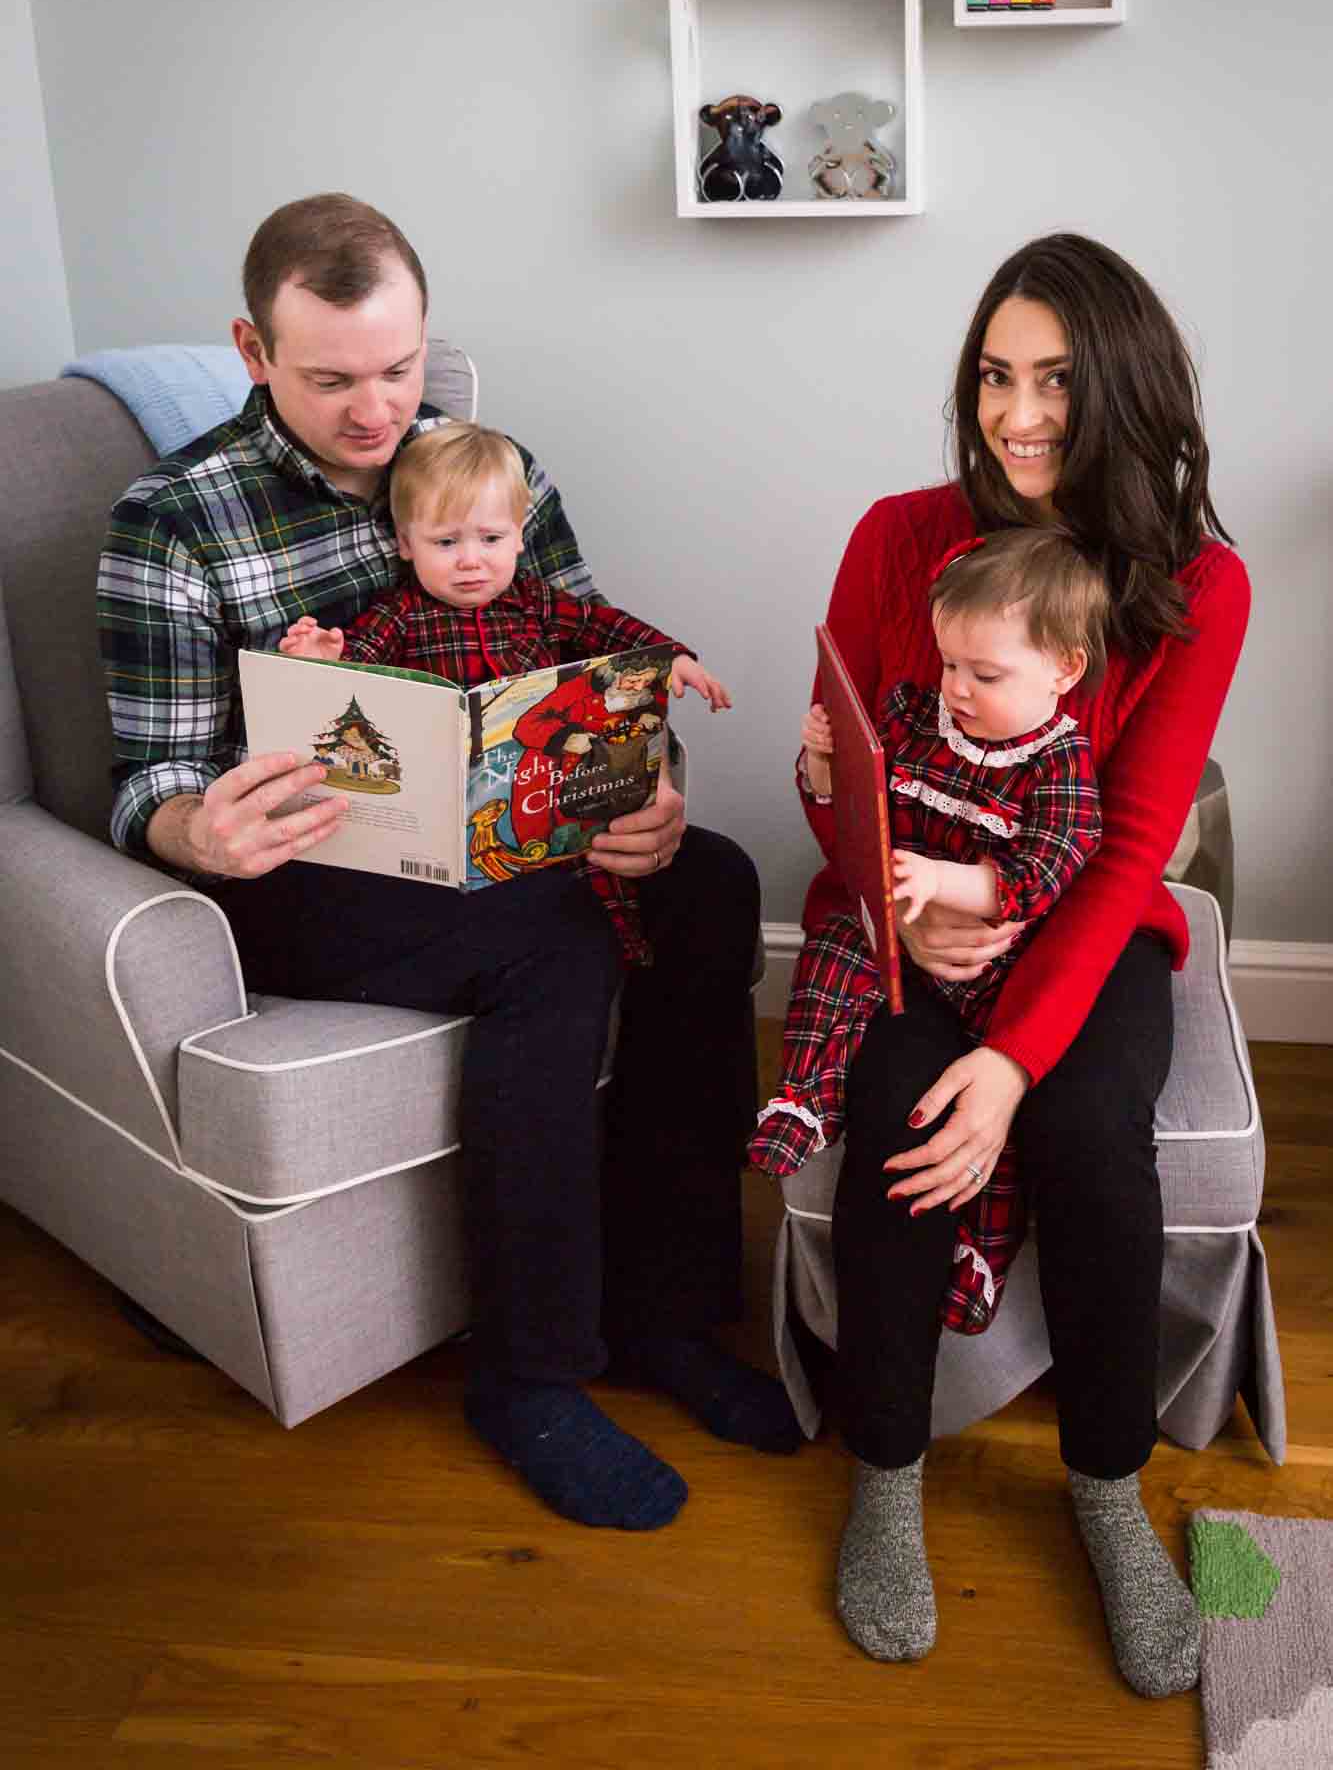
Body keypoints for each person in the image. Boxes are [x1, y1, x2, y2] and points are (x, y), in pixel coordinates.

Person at [97, 192, 799, 1532]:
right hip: (306, 882)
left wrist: (645, 793)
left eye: (401, 368)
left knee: (705, 882)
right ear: (254, 352)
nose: (378, 411)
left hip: (506, 838)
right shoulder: (173, 519)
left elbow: (593, 668)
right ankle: (529, 1371)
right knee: (557, 938)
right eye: (333, 379)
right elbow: (149, 781)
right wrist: (202, 829)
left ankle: (666, 1312)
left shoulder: (490, 467)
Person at [797, 233, 1247, 1697]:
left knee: (1085, 1136)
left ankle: (1108, 1494)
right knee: (898, 1122)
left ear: (1120, 388)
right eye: (994, 376)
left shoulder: (1198, 584)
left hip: (1085, 929)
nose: (1017, 412)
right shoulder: (896, 532)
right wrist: (899, 912)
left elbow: (1126, 851)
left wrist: (1011, 1058)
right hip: (913, 916)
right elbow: (835, 767)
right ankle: (884, 1474)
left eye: (1052, 379)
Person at [750, 527, 1106, 1333]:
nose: (957, 688)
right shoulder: (915, 716)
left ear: (1063, 669)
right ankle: (806, 1095)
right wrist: (822, 764)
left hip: (992, 960)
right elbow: (856, 806)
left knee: (994, 1108)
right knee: (835, 949)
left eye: (986, 674)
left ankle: (983, 1246)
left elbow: (1046, 867)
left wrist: (942, 882)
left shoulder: (1059, 764)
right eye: (949, 665)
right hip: (898, 931)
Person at [279, 421, 730, 962]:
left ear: (519, 535)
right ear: (405, 543)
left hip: (547, 782)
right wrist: (321, 659)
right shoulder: (400, 616)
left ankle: (623, 957)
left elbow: (607, 628)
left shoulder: (537, 602)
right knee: (517, 894)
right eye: (445, 542)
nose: (471, 560)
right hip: (441, 818)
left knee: (597, 881)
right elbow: (350, 682)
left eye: (490, 539)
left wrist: (672, 656)